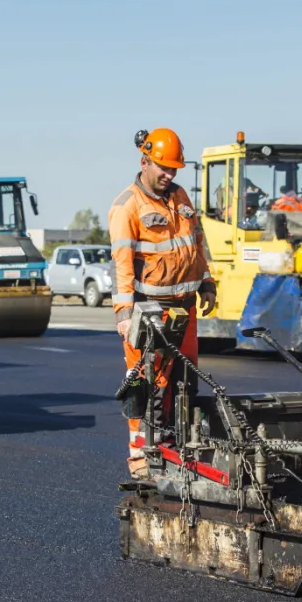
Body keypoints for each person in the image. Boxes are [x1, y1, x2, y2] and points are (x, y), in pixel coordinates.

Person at [109, 127, 217, 479]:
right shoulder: (127, 206)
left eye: (173, 169)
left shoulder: (180, 196)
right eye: (163, 168)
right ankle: (142, 460)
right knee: (149, 388)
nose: (169, 175)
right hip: (148, 311)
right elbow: (122, 265)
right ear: (145, 161)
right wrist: (125, 315)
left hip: (184, 307)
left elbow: (197, 242)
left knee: (185, 382)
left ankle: (180, 451)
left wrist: (207, 283)